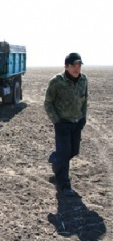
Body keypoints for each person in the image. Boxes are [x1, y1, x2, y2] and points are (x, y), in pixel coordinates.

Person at [44, 53, 88, 196]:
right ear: (66, 66)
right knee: (64, 154)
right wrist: (56, 120)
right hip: (62, 123)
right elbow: (48, 103)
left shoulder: (84, 80)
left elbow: (85, 100)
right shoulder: (57, 81)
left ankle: (56, 161)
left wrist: (83, 118)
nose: (77, 68)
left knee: (72, 151)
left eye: (79, 65)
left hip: (77, 122)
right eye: (74, 65)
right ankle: (64, 185)